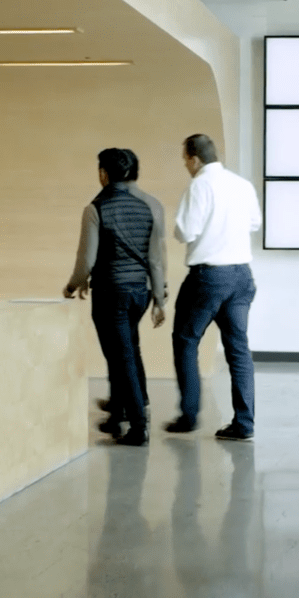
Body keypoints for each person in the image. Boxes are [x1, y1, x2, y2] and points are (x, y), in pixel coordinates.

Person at [64, 147, 167, 447]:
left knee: (122, 358)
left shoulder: (95, 208)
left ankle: (138, 426)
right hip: (140, 293)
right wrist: (159, 299)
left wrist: (72, 286)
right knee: (127, 352)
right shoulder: (145, 208)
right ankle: (120, 415)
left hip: (111, 294)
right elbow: (156, 260)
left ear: (103, 174)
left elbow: (85, 261)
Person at [165, 134, 262, 441]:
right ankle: (244, 423)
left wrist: (182, 231)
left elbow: (186, 230)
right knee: (238, 350)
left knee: (185, 340)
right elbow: (254, 224)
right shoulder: (242, 184)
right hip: (242, 276)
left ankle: (189, 415)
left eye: (185, 159)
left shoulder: (200, 185)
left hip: (208, 276)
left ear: (194, 158)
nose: (185, 165)